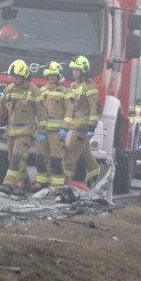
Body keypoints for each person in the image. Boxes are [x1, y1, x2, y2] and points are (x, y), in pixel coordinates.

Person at [0, 59, 44, 192]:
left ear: (24, 76)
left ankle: (8, 184)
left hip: (25, 133)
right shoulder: (9, 89)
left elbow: (41, 112)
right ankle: (25, 183)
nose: (14, 80)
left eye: (16, 77)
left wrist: (42, 131)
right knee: (14, 159)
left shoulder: (34, 91)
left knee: (17, 158)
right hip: (11, 132)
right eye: (13, 77)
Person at [62, 55, 101, 186]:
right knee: (87, 157)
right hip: (75, 126)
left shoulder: (89, 86)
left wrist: (91, 127)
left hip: (81, 128)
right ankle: (98, 182)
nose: (74, 72)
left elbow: (94, 107)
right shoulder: (75, 85)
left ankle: (60, 184)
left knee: (69, 157)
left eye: (77, 70)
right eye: (73, 69)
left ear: (83, 70)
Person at [35, 62, 69, 189]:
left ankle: (56, 184)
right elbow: (37, 110)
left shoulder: (65, 91)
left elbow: (70, 111)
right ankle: (41, 181)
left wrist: (65, 128)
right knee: (40, 157)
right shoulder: (41, 91)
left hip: (56, 132)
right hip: (42, 131)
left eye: (54, 75)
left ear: (58, 76)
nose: (51, 78)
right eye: (49, 75)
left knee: (56, 159)